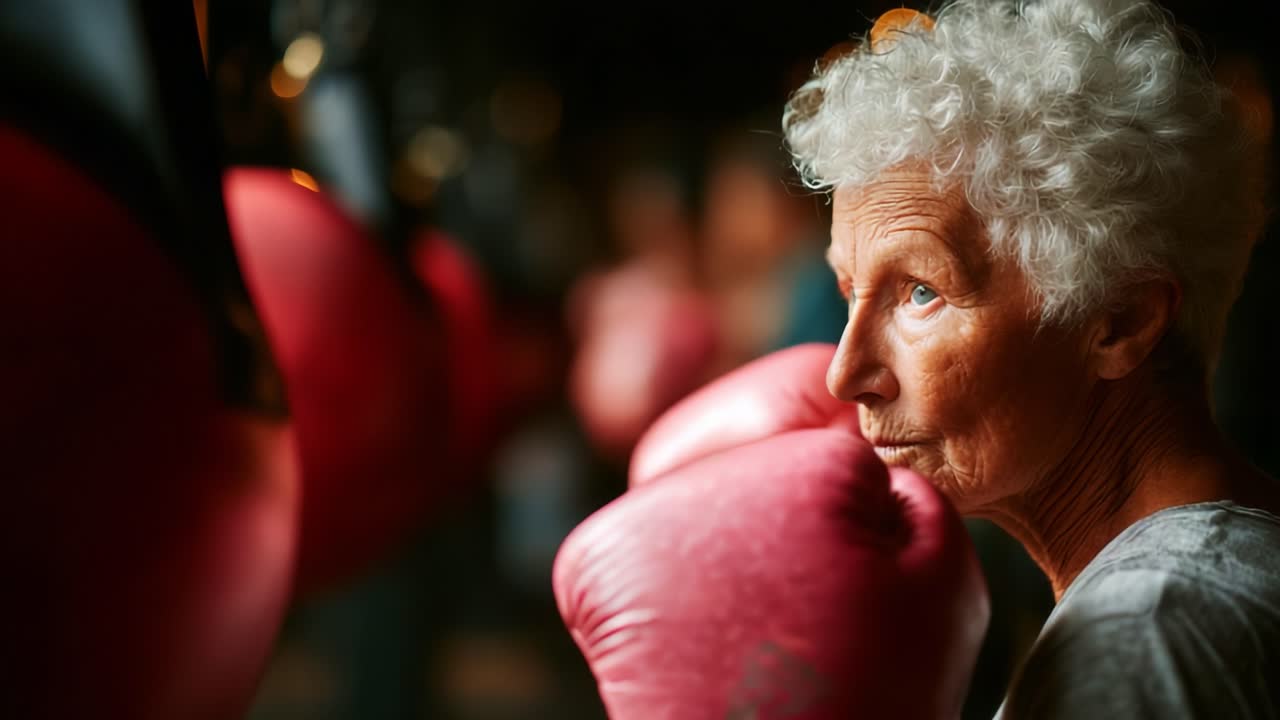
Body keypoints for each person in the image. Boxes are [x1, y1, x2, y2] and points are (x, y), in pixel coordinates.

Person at [781, 0, 1279, 716]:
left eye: (921, 291)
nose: (844, 373)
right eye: (850, 291)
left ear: (1118, 321)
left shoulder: (1147, 632)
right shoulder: (1191, 589)